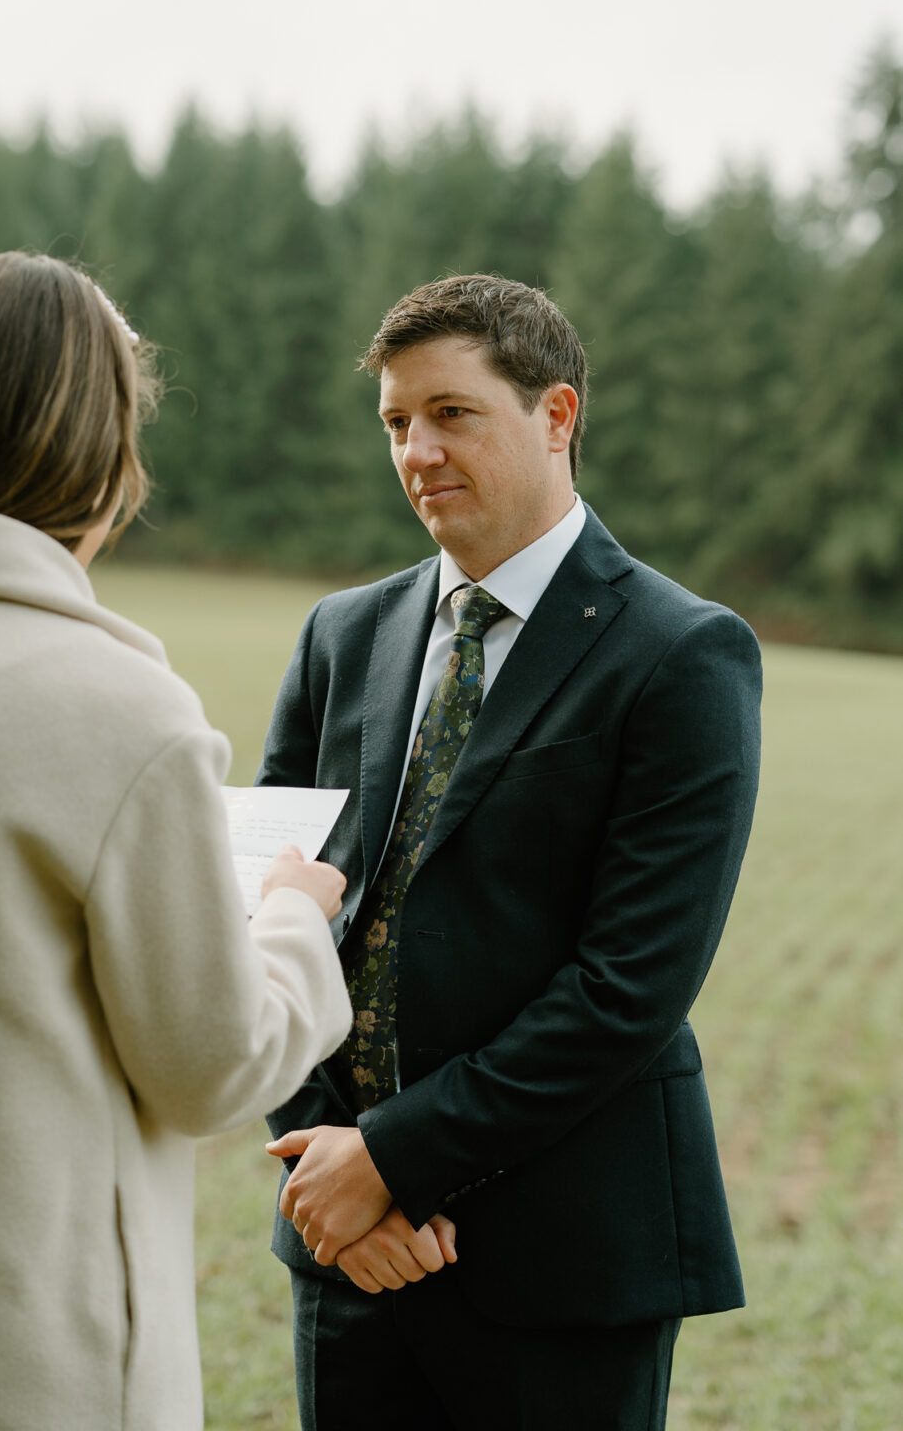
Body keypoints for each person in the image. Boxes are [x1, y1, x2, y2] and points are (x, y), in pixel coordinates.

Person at [0, 251, 352, 1431]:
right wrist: (288, 917)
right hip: (23, 1357)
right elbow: (208, 1061)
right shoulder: (118, 707)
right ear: (101, 447)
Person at [259, 273, 762, 1430]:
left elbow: (627, 985)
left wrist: (392, 1158)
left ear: (556, 415)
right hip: (346, 1247)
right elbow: (265, 915)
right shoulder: (341, 634)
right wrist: (324, 1167)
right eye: (395, 422)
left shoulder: (683, 654)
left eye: (450, 413)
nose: (417, 449)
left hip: (564, 1257)